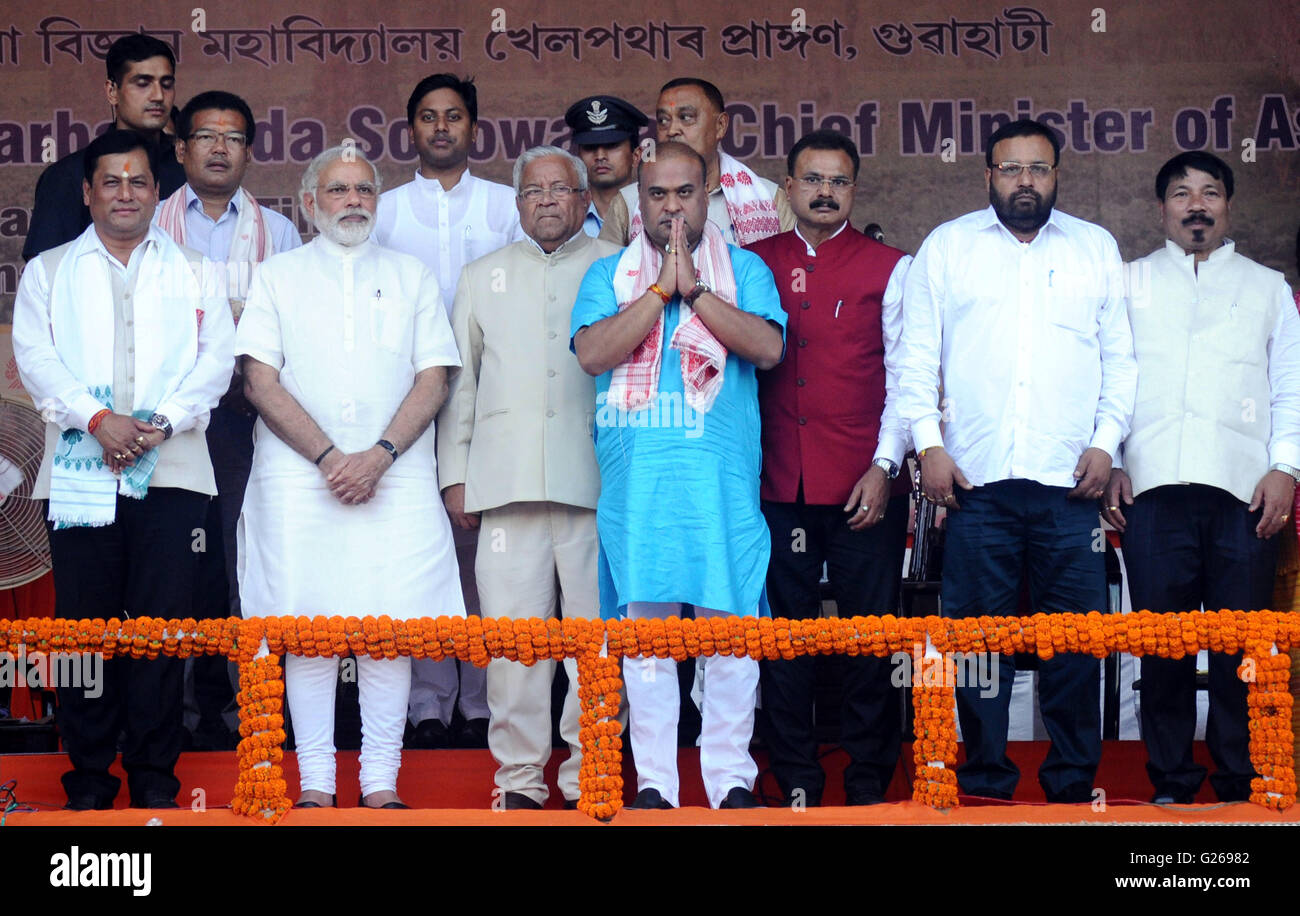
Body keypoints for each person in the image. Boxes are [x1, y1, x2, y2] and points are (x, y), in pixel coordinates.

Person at [898, 119, 1137, 802]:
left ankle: (1070, 787)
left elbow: (1120, 361)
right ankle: (984, 784)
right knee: (978, 646)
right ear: (987, 177)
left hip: (1072, 486)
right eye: (1010, 169)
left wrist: (1106, 441)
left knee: (1073, 645)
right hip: (975, 486)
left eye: (1038, 169)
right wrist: (929, 444)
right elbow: (916, 359)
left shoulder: (1095, 247)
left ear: (1058, 175)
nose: (1025, 181)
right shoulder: (948, 248)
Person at [236, 145, 463, 809]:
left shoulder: (411, 273)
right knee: (304, 628)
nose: (354, 200)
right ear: (309, 204)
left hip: (395, 475)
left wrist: (380, 455)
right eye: (337, 190)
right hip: (297, 480)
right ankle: (312, 785)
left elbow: (435, 376)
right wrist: (331, 458)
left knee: (387, 631)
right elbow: (258, 380)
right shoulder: (277, 275)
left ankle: (380, 784)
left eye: (365, 189)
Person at [12, 129, 234, 809]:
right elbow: (36, 359)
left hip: (171, 473)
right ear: (87, 193)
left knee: (160, 630)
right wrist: (96, 419)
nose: (125, 194)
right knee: (86, 629)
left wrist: (161, 422)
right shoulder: (48, 271)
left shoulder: (198, 270)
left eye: (138, 181)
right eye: (111, 182)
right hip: (81, 471)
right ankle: (86, 777)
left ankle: (154, 777)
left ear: (156, 191)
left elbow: (216, 361)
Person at [572, 141, 786, 809]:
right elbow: (594, 351)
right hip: (639, 499)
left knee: (731, 644)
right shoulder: (606, 276)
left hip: (720, 496)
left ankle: (730, 782)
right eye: (657, 195)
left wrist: (695, 291)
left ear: (707, 194)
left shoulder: (747, 270)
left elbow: (768, 347)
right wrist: (661, 289)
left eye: (684, 193)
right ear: (639, 201)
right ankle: (657, 785)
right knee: (646, 648)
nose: (671, 207)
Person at [1103, 152, 1300, 804]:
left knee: (1240, 647)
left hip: (1244, 493)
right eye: (1182, 193)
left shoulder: (1268, 287)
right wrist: (1112, 461)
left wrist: (1285, 468)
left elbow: (1290, 390)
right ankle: (1171, 784)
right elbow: (1104, 381)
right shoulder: (1127, 283)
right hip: (1151, 488)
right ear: (1161, 208)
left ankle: (1239, 783)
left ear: (1228, 206)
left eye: (1210, 193)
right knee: (1162, 645)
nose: (1196, 205)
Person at [438, 146, 619, 809]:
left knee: (594, 647)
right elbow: (461, 384)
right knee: (514, 649)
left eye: (560, 189)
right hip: (504, 487)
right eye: (533, 191)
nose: (546, 200)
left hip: (596, 487)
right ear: (517, 205)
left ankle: (586, 776)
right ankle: (517, 783)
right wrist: (455, 476)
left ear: (583, 200)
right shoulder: (482, 275)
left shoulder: (618, 267)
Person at [745, 129, 912, 807]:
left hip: (862, 481)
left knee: (870, 637)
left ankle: (870, 781)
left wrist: (884, 464)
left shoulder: (891, 266)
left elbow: (907, 378)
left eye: (838, 181)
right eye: (811, 180)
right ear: (787, 188)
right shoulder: (751, 262)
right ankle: (797, 780)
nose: (824, 192)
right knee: (785, 642)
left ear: (854, 189)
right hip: (777, 479)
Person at [374, 73, 522, 749]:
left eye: (454, 116)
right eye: (428, 117)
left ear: (474, 127)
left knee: (487, 550)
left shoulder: (504, 207)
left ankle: (487, 701)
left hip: (493, 398)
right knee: (422, 551)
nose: (441, 128)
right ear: (411, 131)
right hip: (403, 400)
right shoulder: (385, 210)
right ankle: (429, 701)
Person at [155, 89, 302, 750]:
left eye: (233, 137)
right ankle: (177, 714)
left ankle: (250, 712)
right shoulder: (147, 223)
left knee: (247, 559)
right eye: (206, 136)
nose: (219, 148)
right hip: (167, 425)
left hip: (252, 421)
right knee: (176, 563)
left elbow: (297, 333)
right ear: (181, 148)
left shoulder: (282, 232)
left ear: (250, 151)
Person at [24, 34, 186, 261]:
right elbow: (46, 272)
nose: (158, 96)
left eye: (166, 84)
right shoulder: (69, 175)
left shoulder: (188, 172)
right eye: (143, 83)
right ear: (112, 91)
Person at [597, 78, 793, 247]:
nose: (672, 130)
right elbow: (607, 275)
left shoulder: (769, 198)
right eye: (663, 120)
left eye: (686, 118)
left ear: (720, 126)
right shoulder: (629, 201)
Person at [563, 95, 648, 237]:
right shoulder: (566, 218)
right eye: (590, 147)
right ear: (578, 157)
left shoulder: (653, 213)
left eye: (611, 145)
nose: (600, 155)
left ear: (636, 156)